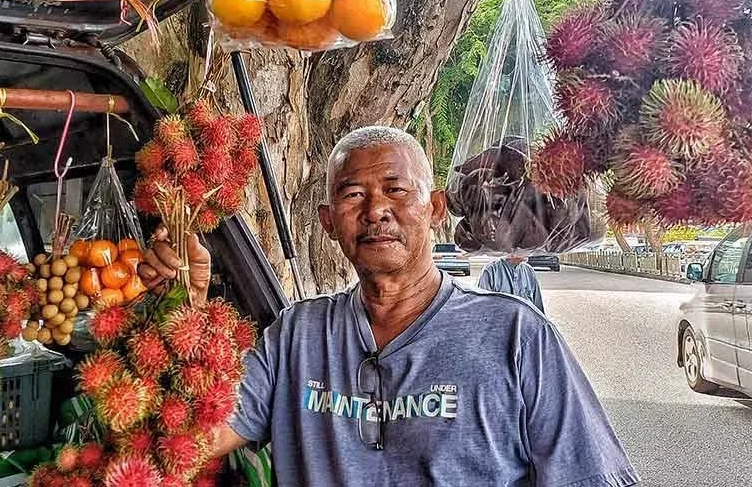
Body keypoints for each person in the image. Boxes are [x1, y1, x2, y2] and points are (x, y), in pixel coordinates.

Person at [139, 126, 639, 487]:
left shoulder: (516, 335)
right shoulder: (296, 335)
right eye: (353, 195)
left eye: (396, 190)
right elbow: (190, 440)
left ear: (436, 209)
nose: (376, 209)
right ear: (329, 222)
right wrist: (187, 301)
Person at [477, 253, 545, 313]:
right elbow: (482, 309)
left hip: (526, 326)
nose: (530, 251)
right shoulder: (490, 271)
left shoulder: (529, 271)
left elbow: (538, 308)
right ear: (514, 249)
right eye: (525, 248)